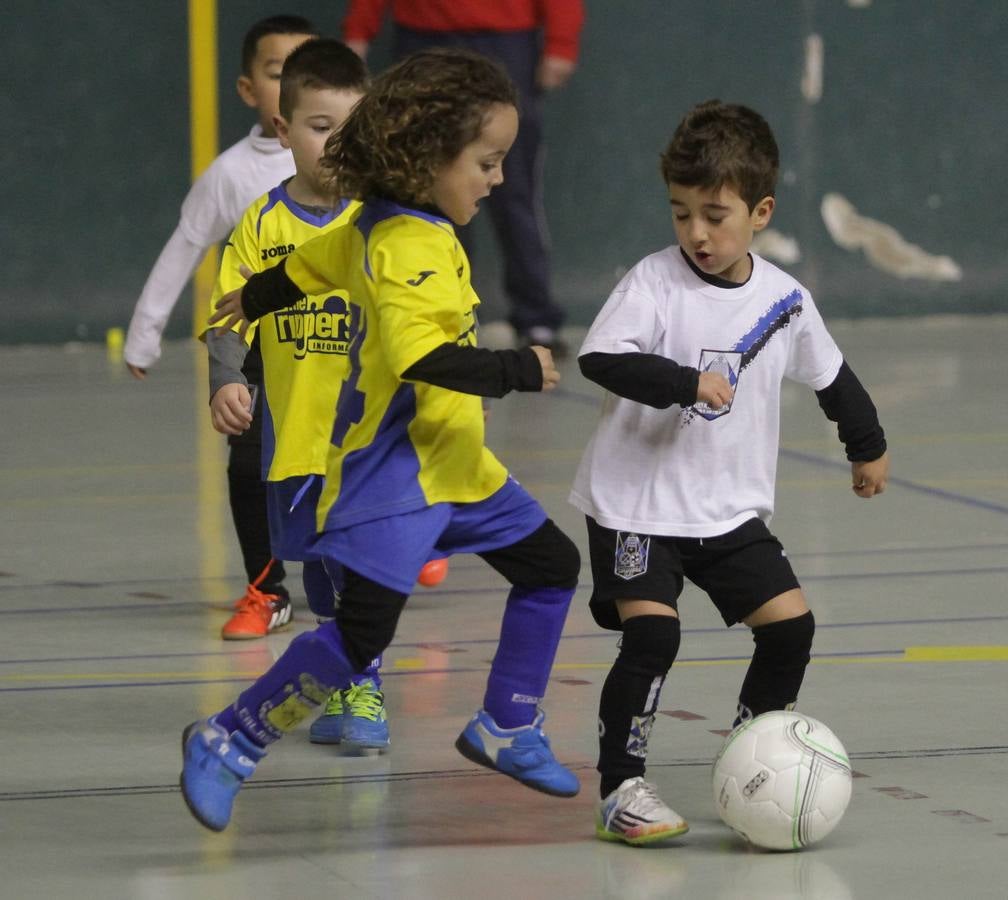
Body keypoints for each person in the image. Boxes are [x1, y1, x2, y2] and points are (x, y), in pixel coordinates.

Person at [181, 48, 582, 833]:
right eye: (486, 163)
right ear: (430, 159)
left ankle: (505, 723)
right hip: (397, 474)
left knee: (551, 567)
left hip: (457, 465)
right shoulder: (410, 246)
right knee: (361, 631)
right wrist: (519, 368)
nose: (497, 179)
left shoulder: (381, 222)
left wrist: (252, 294)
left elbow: (312, 262)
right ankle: (229, 736)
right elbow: (417, 356)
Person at [569, 100, 891, 846]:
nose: (696, 234)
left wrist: (865, 446)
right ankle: (620, 788)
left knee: (791, 629)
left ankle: (749, 752)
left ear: (761, 211)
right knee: (653, 640)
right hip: (636, 508)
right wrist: (683, 382)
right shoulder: (653, 284)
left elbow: (833, 378)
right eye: (681, 214)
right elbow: (602, 358)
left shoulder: (784, 300)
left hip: (725, 513)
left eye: (714, 215)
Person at [204, 37, 398, 754]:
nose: (338, 146)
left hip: (363, 440)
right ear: (284, 131)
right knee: (318, 573)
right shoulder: (262, 224)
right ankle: (339, 666)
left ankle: (364, 683)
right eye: (321, 129)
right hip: (292, 440)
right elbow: (229, 311)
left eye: (353, 132)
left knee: (355, 565)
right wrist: (228, 378)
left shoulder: (379, 222)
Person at [125, 15, 320, 637]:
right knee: (247, 467)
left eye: (304, 72)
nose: (290, 84)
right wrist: (145, 333)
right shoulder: (232, 175)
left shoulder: (354, 166)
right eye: (275, 73)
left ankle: (413, 544)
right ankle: (266, 589)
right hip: (261, 348)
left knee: (363, 456)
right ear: (247, 90)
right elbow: (185, 246)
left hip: (333, 345)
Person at [340, 0, 585, 355]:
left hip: (507, 43)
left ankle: (536, 319)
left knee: (513, 188)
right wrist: (358, 30)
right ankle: (444, 316)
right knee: (426, 189)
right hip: (422, 40)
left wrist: (561, 42)